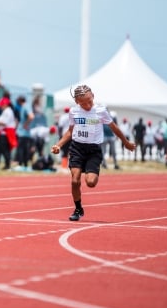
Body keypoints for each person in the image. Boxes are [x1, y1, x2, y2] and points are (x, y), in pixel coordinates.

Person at [51, 85, 135, 221]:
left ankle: (91, 171)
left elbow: (114, 128)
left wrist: (126, 142)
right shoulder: (73, 112)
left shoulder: (100, 111)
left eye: (89, 101)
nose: (87, 105)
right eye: (83, 103)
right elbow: (70, 131)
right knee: (74, 180)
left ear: (93, 96)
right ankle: (78, 209)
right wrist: (58, 145)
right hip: (77, 148)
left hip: (93, 150)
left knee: (90, 182)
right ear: (77, 102)